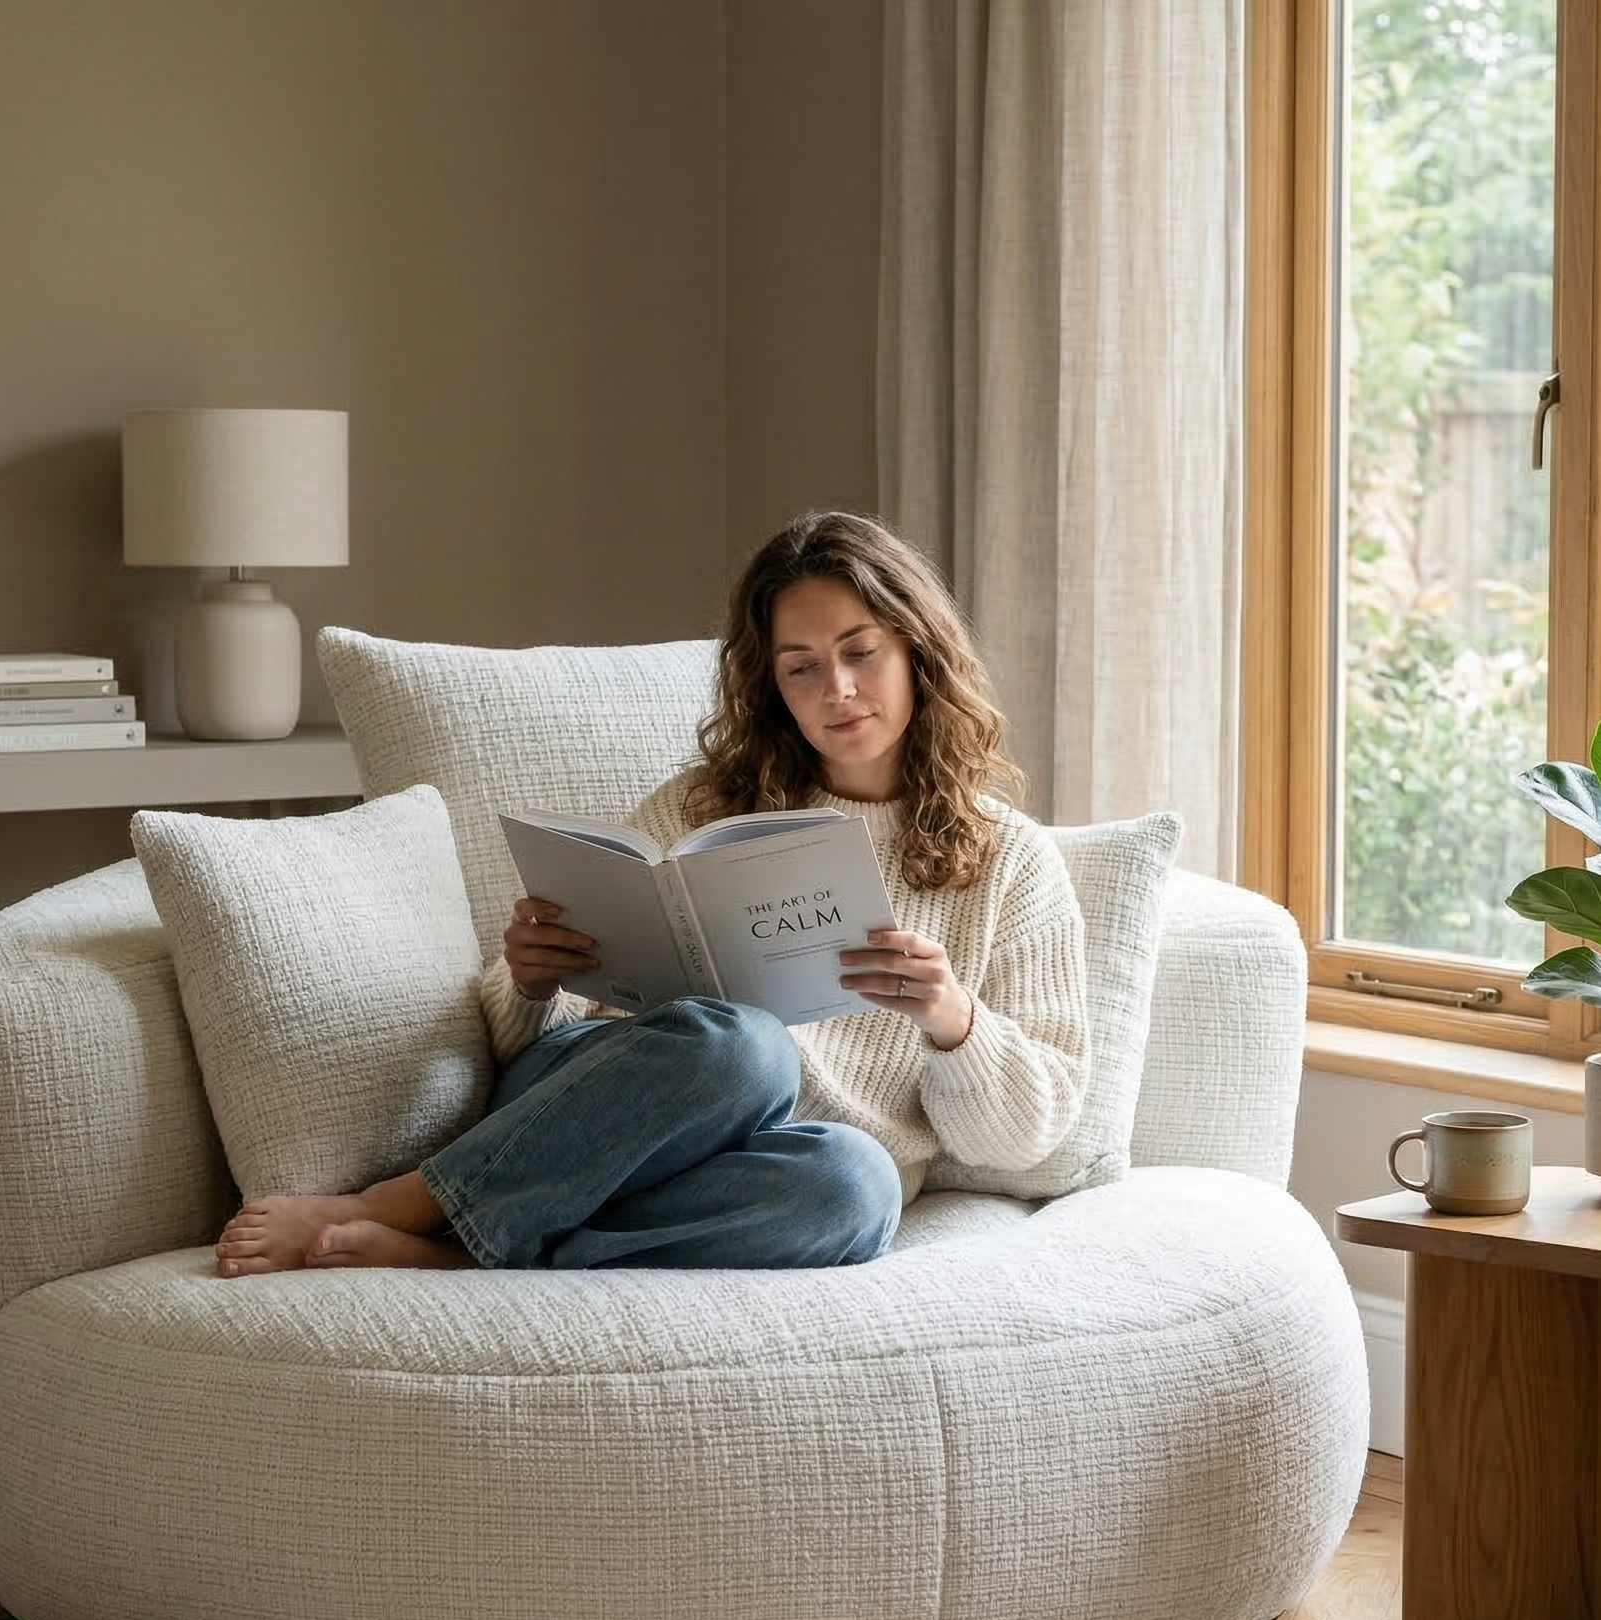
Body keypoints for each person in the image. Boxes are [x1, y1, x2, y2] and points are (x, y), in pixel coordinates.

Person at [213, 510, 1089, 1277]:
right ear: (771, 687)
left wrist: (954, 1022)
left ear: (916, 650)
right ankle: (405, 1203)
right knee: (748, 1044)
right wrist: (529, 984)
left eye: (860, 652)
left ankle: (460, 1251)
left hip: (763, 1170)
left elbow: (1024, 1135)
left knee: (858, 1190)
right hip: (606, 1120)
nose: (839, 691)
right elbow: (573, 1030)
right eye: (800, 669)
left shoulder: (1007, 859)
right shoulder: (705, 806)